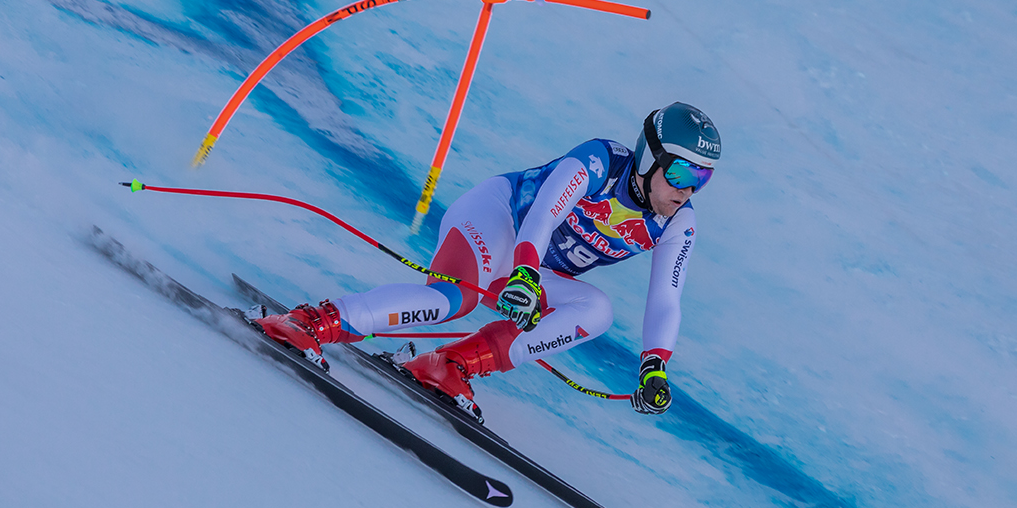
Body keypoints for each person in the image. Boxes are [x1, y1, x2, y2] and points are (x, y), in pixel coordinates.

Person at [253, 102, 720, 416]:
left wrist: (654, 365)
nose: (686, 189)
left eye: (701, 179)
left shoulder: (679, 223)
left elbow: (666, 300)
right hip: (499, 220)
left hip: (535, 270)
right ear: (648, 159)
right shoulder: (600, 163)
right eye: (680, 172)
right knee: (449, 301)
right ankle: (310, 323)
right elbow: (541, 215)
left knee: (598, 311)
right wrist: (523, 273)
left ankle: (450, 364)